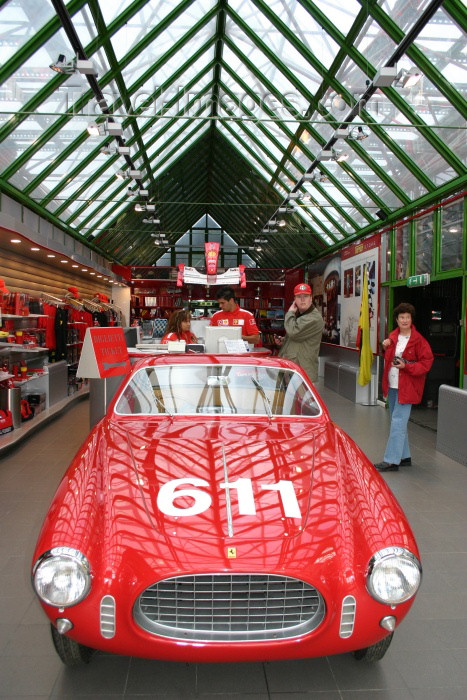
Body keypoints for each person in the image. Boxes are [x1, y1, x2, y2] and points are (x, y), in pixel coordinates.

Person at [374, 302, 433, 472]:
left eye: (407, 317)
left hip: (407, 386)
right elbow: (388, 358)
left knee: (398, 421)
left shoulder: (419, 340)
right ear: (397, 319)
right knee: (397, 420)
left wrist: (407, 366)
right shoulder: (393, 338)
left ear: (411, 319)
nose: (405, 320)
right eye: (402, 317)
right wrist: (385, 348)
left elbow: (426, 363)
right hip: (393, 384)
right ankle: (404, 456)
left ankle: (392, 460)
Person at [275, 283, 324, 382]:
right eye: (299, 297)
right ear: (295, 300)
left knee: (300, 398)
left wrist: (290, 313)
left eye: (305, 296)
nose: (302, 300)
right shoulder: (302, 315)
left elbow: (293, 332)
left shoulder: (313, 318)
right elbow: (298, 339)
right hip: (294, 371)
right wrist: (284, 341)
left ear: (311, 298)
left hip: (303, 374)